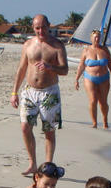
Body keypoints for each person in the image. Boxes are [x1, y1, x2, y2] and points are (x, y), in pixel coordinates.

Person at [10, 14, 68, 175]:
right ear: (33, 28)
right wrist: (14, 92)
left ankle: (48, 165)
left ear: (49, 25)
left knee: (49, 130)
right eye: (37, 28)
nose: (40, 31)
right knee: (24, 127)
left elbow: (65, 70)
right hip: (29, 91)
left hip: (49, 92)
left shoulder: (57, 46)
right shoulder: (28, 45)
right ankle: (33, 163)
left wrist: (51, 67)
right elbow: (21, 69)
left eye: (43, 27)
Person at [74, 29, 111, 129]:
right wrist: (77, 79)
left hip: (104, 78)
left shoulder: (104, 50)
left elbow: (110, 64)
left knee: (103, 101)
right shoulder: (86, 50)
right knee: (93, 100)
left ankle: (105, 121)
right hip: (90, 78)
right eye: (95, 37)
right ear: (91, 38)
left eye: (98, 37)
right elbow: (81, 65)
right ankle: (94, 122)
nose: (97, 39)